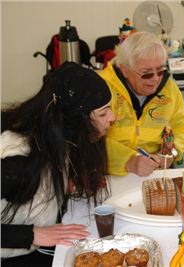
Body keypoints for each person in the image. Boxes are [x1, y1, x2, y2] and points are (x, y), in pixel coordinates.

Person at [1, 62, 115, 266]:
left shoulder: (55, 137)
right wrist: (30, 235)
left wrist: (69, 185)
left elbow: (39, 191)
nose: (112, 118)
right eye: (103, 113)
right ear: (74, 120)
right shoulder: (17, 160)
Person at [99, 31, 184, 177]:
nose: (155, 79)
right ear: (125, 70)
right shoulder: (101, 88)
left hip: (154, 174)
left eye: (161, 70)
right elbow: (89, 140)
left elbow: (183, 128)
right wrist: (128, 161)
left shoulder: (169, 88)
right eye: (147, 73)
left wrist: (172, 153)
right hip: (110, 176)